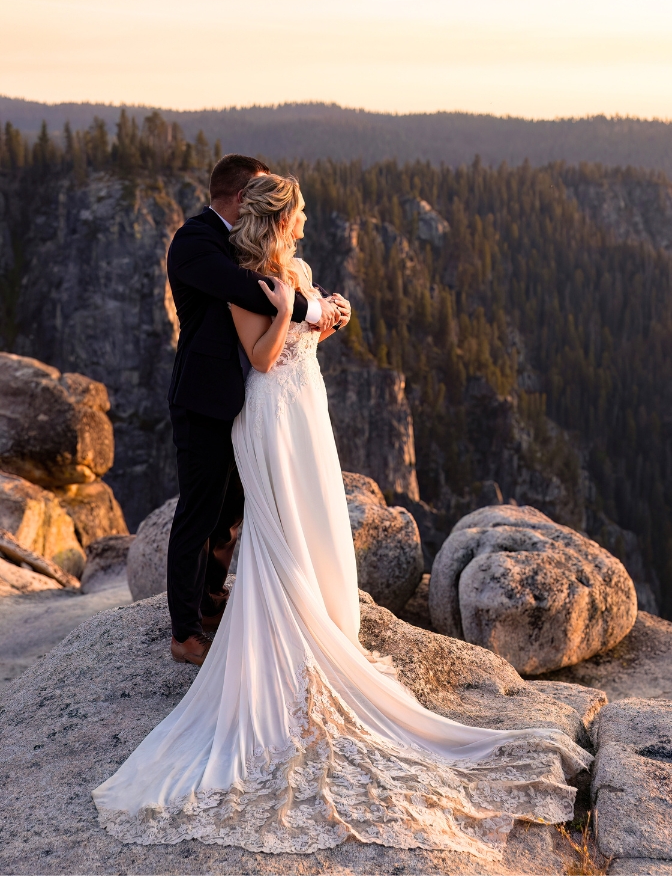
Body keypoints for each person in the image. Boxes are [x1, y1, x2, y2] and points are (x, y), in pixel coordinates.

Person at [93, 174, 591, 859]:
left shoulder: (290, 272)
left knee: (309, 517)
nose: (306, 222)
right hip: (266, 413)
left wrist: (319, 318)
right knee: (259, 526)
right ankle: (207, 624)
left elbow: (305, 341)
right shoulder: (239, 273)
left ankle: (295, 613)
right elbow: (263, 358)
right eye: (297, 215)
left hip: (304, 411)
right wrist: (289, 312)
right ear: (274, 216)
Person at [164, 154, 348, 665]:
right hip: (205, 398)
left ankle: (209, 601)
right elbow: (243, 289)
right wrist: (310, 307)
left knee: (233, 511)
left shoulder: (255, 247)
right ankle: (184, 633)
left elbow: (275, 295)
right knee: (198, 513)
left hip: (256, 402)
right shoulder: (195, 240)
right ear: (245, 197)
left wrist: (329, 307)